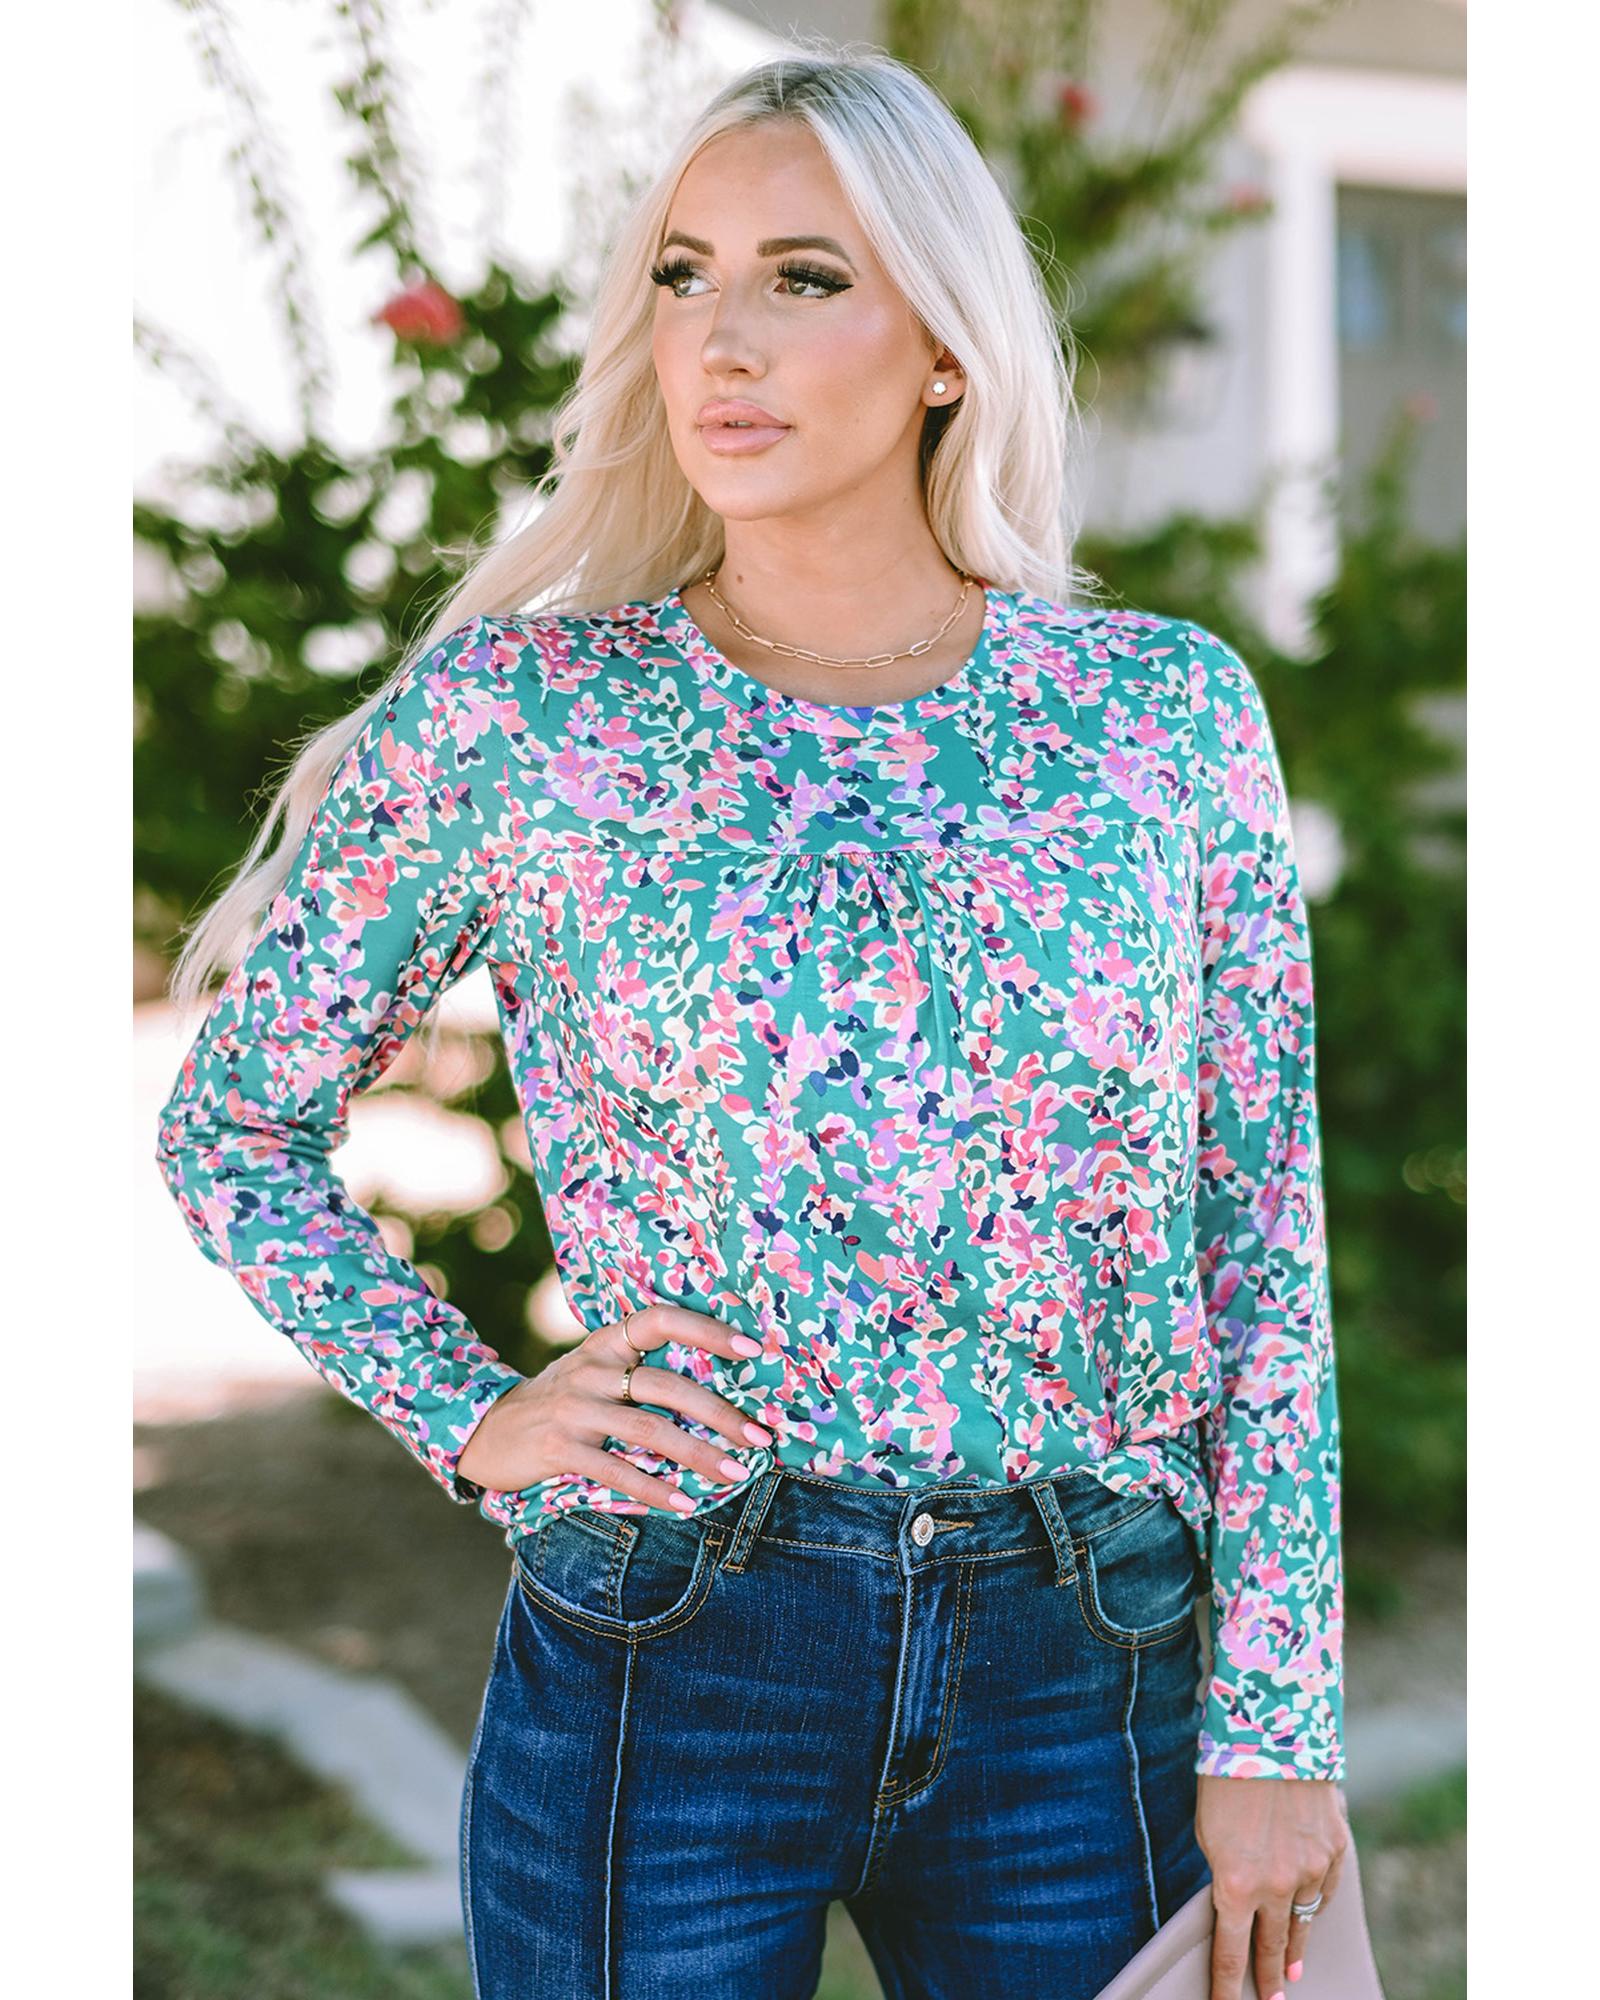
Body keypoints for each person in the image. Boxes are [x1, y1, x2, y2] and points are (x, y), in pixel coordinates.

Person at [154, 44, 1349, 2000]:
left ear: (944, 346)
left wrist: (1277, 1720)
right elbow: (233, 1127)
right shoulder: (531, 716)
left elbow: (1258, 1235)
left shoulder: (1159, 714)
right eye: (682, 276)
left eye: (803, 278)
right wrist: (471, 1410)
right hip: (677, 1633)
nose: (722, 337)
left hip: (1089, 1651)